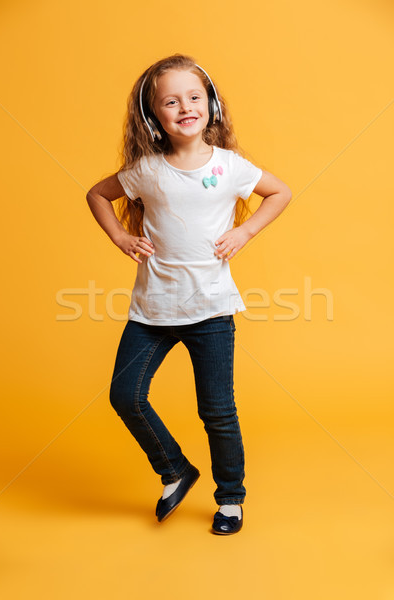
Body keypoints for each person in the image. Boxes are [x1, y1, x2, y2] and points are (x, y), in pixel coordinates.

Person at [86, 53, 292, 535]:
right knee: (125, 395)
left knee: (217, 409)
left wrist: (245, 234)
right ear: (153, 115)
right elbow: (98, 194)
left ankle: (231, 498)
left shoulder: (229, 167)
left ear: (212, 105)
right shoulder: (146, 170)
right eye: (170, 101)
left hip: (211, 311)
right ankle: (175, 469)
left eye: (194, 97)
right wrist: (120, 237)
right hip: (152, 311)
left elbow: (279, 192)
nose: (184, 108)